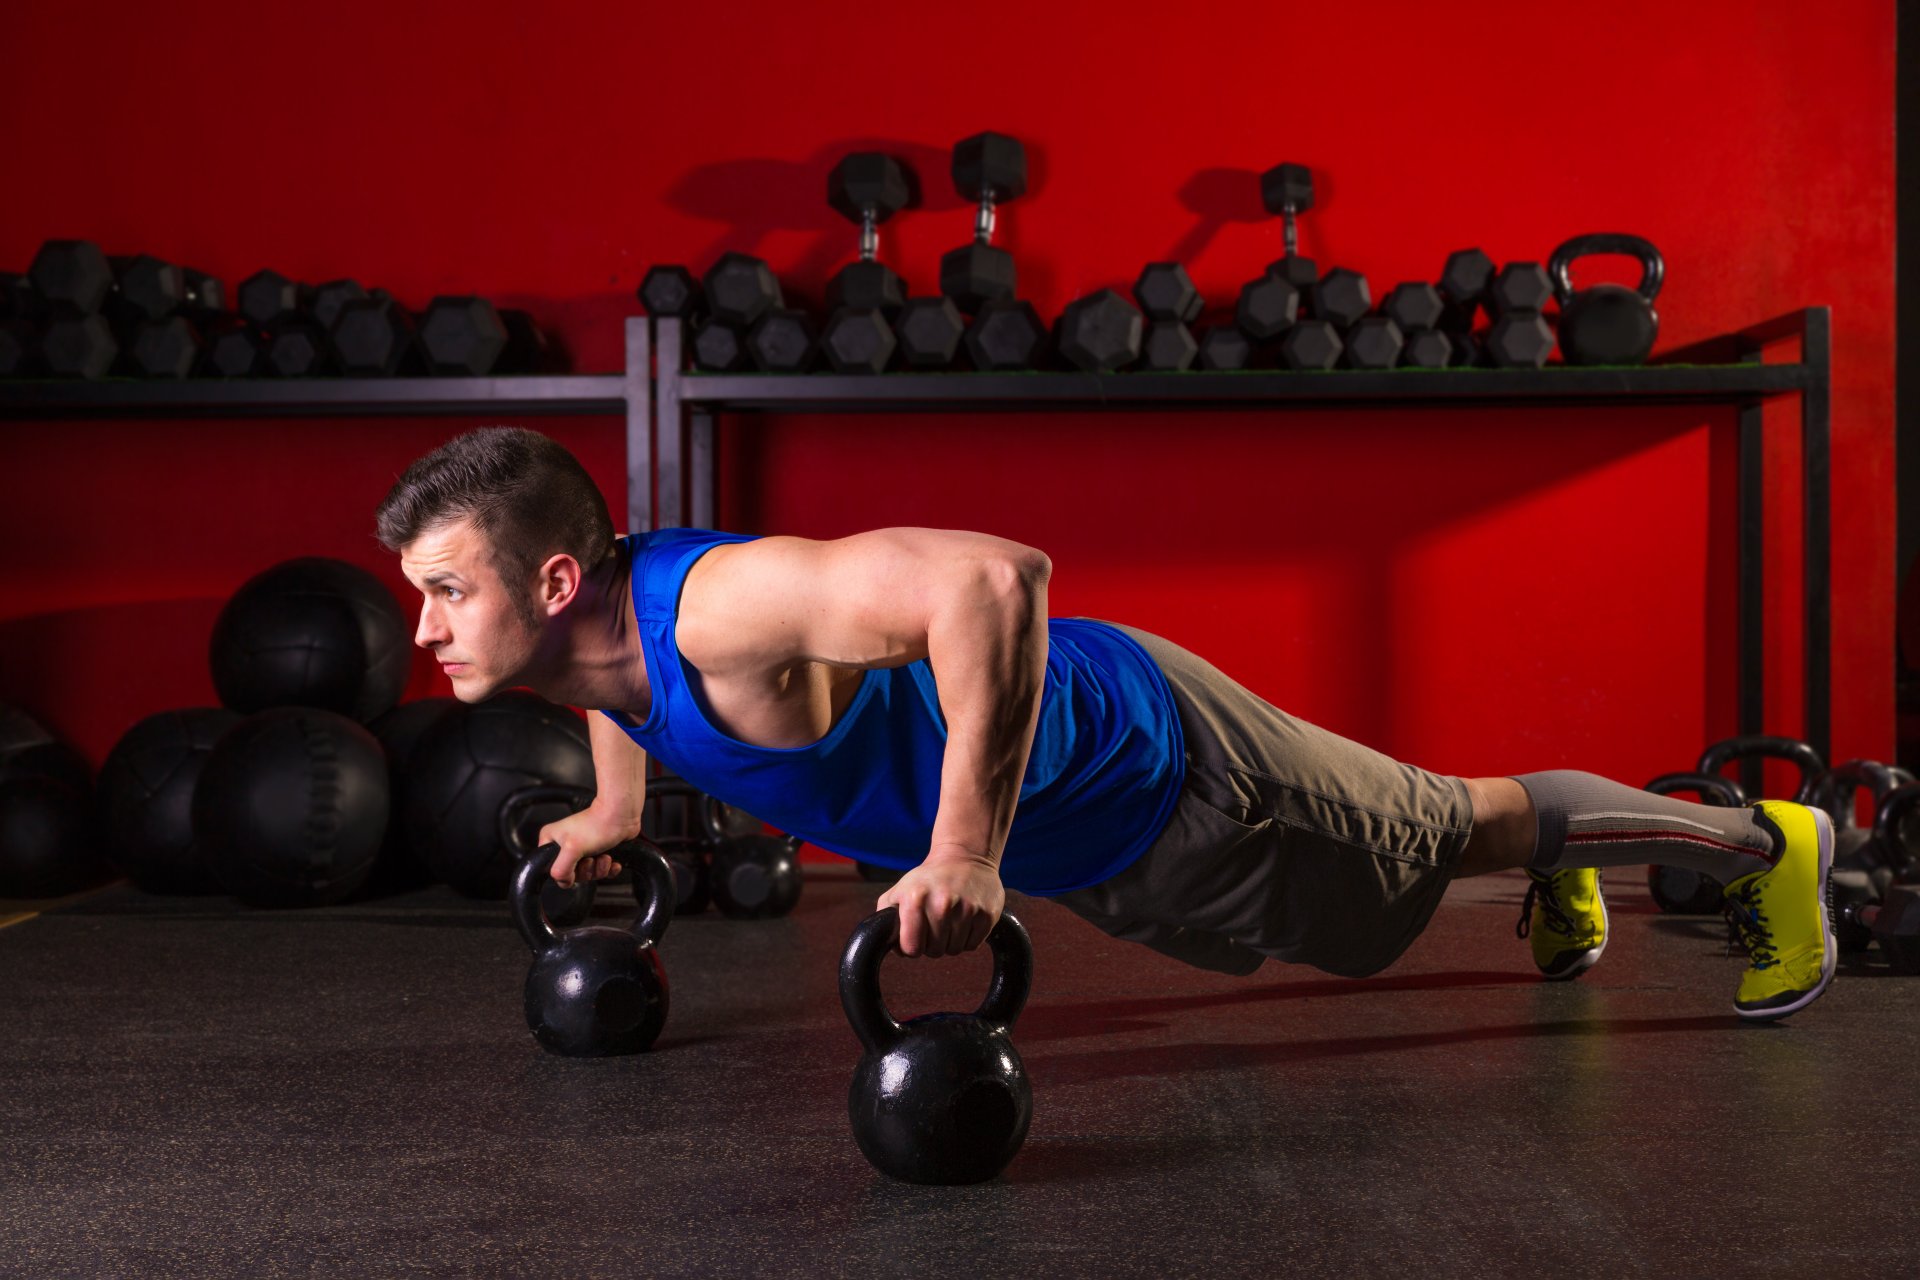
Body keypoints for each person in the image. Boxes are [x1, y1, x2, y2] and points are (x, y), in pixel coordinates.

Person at [376, 426, 1836, 1022]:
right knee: (1398, 884)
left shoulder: (724, 607)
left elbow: (994, 580)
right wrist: (616, 809)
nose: (424, 628)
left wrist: (963, 849)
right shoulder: (597, 635)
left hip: (1170, 765)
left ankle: (1766, 843)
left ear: (553, 581)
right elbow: (615, 685)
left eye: (447, 591)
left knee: (1463, 824)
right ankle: (1566, 864)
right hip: (1096, 829)